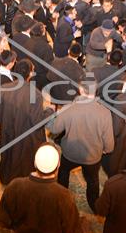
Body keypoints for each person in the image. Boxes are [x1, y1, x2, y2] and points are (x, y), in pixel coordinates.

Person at [0, 143, 84, 233]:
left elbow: (3, 221)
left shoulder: (15, 186)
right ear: (58, 165)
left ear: (34, 163)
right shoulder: (63, 196)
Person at [47, 76, 114, 212]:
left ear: (79, 89)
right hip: (92, 156)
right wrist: (107, 149)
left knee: (64, 172)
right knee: (93, 180)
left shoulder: (68, 108)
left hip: (70, 152)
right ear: (95, 91)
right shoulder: (105, 112)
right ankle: (94, 205)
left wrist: (49, 114)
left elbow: (54, 129)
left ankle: (61, 197)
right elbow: (108, 140)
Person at [0, 59, 54, 184]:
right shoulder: (35, 94)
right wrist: (49, 110)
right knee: (25, 162)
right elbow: (38, 121)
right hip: (27, 137)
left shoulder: (2, 89)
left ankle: (8, 181)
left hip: (8, 132)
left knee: (9, 158)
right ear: (30, 74)